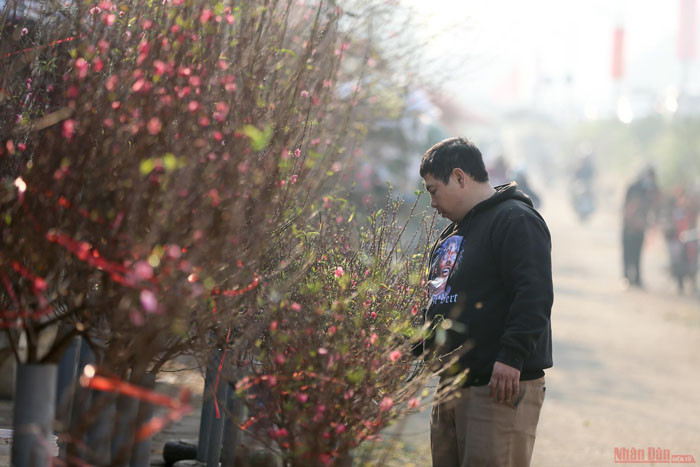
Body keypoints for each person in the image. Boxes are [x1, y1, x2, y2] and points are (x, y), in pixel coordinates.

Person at [416, 137, 553, 467]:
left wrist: (511, 356)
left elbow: (534, 295)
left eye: (433, 190)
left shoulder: (515, 220)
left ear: (460, 177)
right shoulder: (452, 234)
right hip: (452, 387)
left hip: (497, 388)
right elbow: (435, 299)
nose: (431, 203)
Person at [622, 167, 659, 288]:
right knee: (627, 252)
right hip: (629, 226)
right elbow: (626, 207)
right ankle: (626, 277)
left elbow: (653, 206)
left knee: (637, 253)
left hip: (640, 227)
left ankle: (637, 279)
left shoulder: (649, 190)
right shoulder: (632, 188)